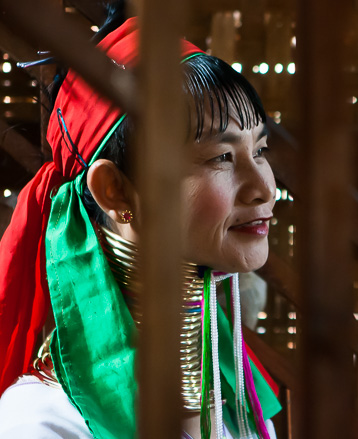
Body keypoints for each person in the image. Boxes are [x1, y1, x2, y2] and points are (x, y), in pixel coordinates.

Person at [0, 5, 281, 439]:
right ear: (115, 191)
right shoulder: (44, 423)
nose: (264, 188)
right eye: (221, 157)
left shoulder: (231, 406)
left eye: (259, 151)